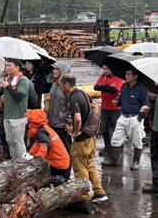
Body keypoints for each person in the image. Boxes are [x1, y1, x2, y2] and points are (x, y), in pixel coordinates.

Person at [61, 74, 107, 204]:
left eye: (60, 85)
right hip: (91, 136)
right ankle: (100, 193)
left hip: (82, 139)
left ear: (66, 85)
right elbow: (96, 107)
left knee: (80, 168)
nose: (60, 87)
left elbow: (77, 118)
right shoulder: (82, 93)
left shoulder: (73, 98)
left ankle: (84, 197)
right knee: (90, 165)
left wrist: (76, 132)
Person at [0, 59, 29, 159]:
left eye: (9, 65)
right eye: (6, 65)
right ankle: (14, 160)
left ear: (17, 67)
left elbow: (19, 96)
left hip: (18, 116)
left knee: (18, 141)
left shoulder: (22, 80)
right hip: (7, 115)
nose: (7, 67)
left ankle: (23, 163)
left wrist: (8, 87)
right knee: (10, 141)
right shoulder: (7, 80)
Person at [106, 69, 150, 169]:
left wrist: (140, 118)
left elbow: (146, 104)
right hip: (123, 116)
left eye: (129, 74)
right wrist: (116, 102)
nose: (126, 76)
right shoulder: (124, 86)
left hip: (134, 118)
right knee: (116, 138)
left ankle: (136, 162)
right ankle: (113, 160)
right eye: (126, 73)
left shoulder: (142, 89)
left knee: (136, 141)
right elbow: (120, 99)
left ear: (136, 76)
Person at [26, 109, 72, 186]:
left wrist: (36, 159)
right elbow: (38, 144)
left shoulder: (41, 132)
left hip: (59, 167)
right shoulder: (44, 128)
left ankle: (55, 182)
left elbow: (45, 145)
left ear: (33, 121)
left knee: (42, 178)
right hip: (63, 164)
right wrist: (30, 153)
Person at [94, 65, 124, 157]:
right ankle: (107, 147)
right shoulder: (103, 77)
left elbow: (114, 90)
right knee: (105, 129)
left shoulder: (118, 78)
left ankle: (119, 149)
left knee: (118, 129)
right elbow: (96, 87)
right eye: (104, 69)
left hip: (116, 109)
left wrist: (103, 86)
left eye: (107, 69)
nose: (105, 71)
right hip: (104, 107)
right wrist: (107, 86)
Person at [47, 61, 73, 154]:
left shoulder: (67, 86)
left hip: (63, 123)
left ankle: (68, 166)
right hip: (53, 121)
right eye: (53, 69)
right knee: (54, 146)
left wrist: (69, 122)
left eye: (56, 69)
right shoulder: (54, 83)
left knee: (65, 147)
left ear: (63, 70)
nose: (54, 71)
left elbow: (71, 105)